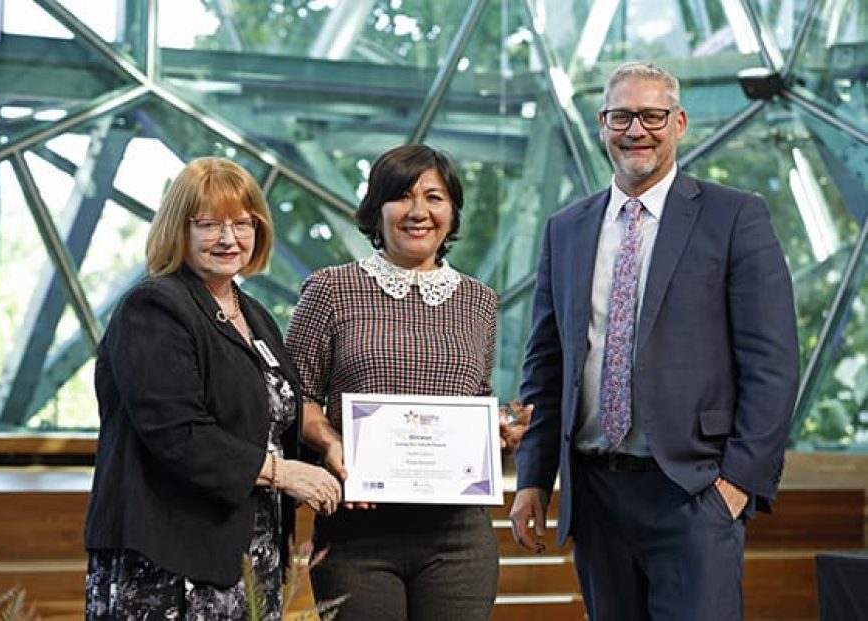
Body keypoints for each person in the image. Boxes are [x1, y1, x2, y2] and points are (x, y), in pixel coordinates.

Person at [509, 61, 799, 620]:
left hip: (693, 493)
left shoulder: (735, 217)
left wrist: (735, 484)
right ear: (601, 123)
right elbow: (546, 365)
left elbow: (773, 363)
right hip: (594, 495)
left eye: (652, 115)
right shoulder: (566, 228)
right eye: (622, 116)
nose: (635, 130)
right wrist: (533, 479)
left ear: (680, 122)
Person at [84, 156, 342, 620]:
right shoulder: (154, 308)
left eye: (242, 223)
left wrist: (328, 452)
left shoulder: (255, 314)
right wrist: (284, 474)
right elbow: (178, 433)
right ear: (178, 230)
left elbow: (271, 417)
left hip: (248, 554)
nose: (228, 238)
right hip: (170, 559)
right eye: (209, 225)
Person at [285, 144, 522, 620]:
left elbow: (475, 402)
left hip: (458, 537)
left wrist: (500, 428)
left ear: (452, 213)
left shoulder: (479, 301)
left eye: (434, 198)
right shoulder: (330, 289)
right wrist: (331, 444)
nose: (419, 212)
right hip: (358, 533)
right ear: (378, 209)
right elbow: (295, 399)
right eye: (402, 196)